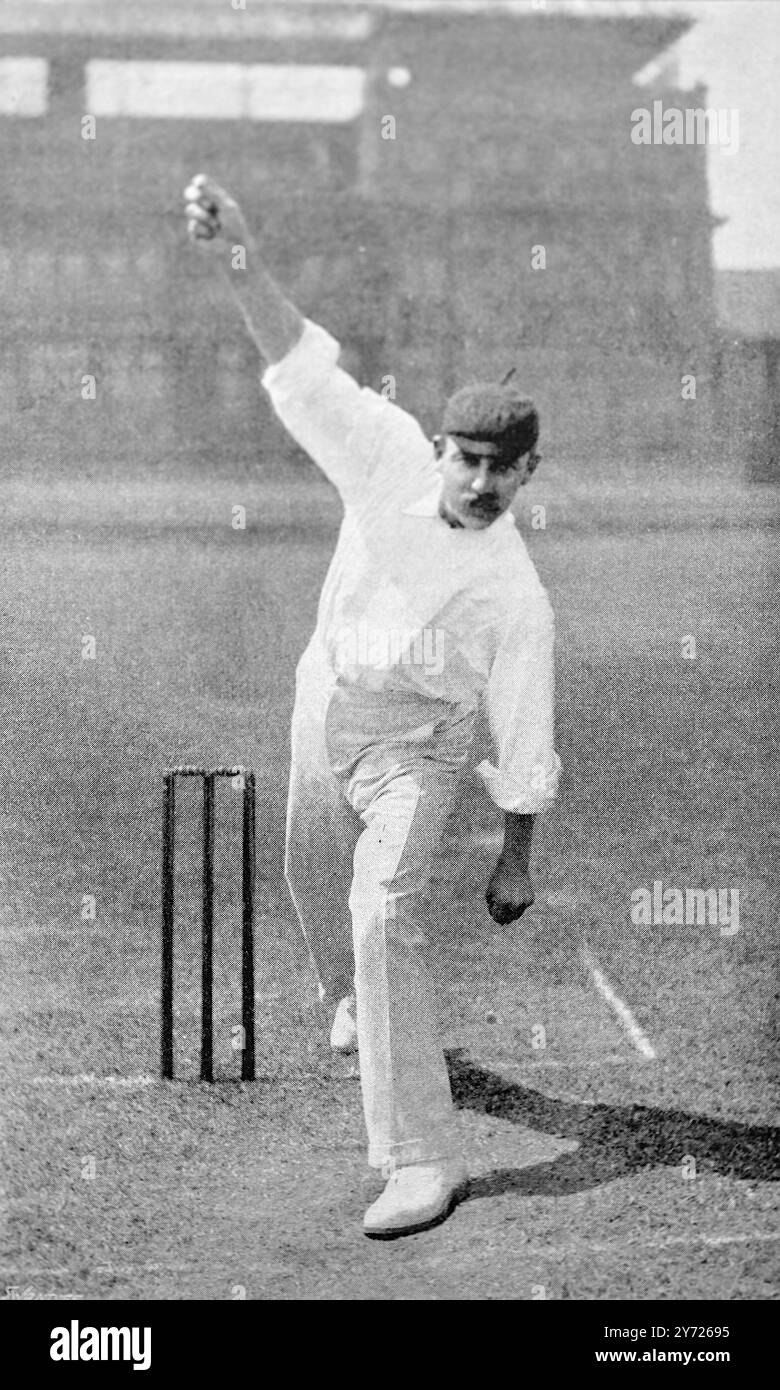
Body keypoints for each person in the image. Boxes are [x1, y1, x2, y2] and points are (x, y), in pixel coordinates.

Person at [183, 174, 561, 1239]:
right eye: (470, 460)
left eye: (505, 470)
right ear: (441, 449)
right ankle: (354, 1000)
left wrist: (515, 853)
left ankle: (420, 1160)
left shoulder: (514, 595)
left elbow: (525, 729)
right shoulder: (383, 446)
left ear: (531, 471)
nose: (483, 485)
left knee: (383, 911)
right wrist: (239, 251)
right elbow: (295, 356)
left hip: (421, 752)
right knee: (314, 882)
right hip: (326, 703)